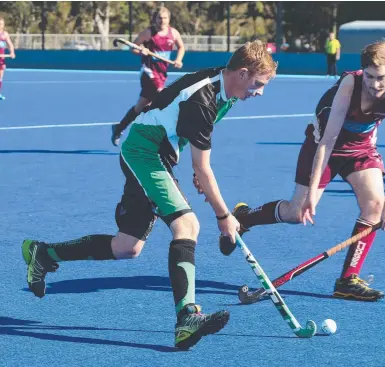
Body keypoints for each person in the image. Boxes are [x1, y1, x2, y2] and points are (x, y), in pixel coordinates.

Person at [22, 40, 277, 349]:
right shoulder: (204, 98)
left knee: (127, 247)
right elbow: (203, 164)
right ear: (242, 73)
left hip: (160, 153)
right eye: (258, 84)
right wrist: (224, 217)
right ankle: (187, 318)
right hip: (145, 151)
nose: (260, 92)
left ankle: (44, 253)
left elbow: (194, 149)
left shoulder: (225, 93)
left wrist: (199, 173)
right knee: (188, 225)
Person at [216, 40, 385, 302]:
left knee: (376, 206)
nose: (375, 84)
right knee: (296, 212)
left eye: (381, 78)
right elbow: (328, 140)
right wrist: (312, 193)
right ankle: (245, 217)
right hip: (323, 143)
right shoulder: (350, 85)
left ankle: (348, 280)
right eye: (369, 76)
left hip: (361, 148)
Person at [111, 6, 185, 146]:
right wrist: (141, 51)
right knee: (161, 97)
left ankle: (119, 128)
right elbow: (134, 47)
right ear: (155, 19)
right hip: (148, 72)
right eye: (159, 18)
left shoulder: (173, 33)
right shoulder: (148, 33)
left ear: (169, 19)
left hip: (162, 74)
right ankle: (158, 138)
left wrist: (179, 59)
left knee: (141, 106)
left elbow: (181, 47)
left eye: (164, 18)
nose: (162, 20)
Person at [0, 17, 16, 101]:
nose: (0, 25)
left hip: (1, 59)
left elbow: (10, 44)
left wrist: (12, 52)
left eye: (1, 24)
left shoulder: (4, 34)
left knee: (0, 77)